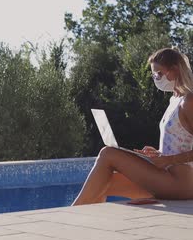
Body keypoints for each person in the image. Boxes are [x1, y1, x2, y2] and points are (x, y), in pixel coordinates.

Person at [72, 48, 193, 206]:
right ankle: (85, 224)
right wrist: (160, 154)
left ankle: (70, 214)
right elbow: (182, 142)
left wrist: (167, 160)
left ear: (174, 70)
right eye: (154, 75)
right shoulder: (174, 101)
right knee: (104, 181)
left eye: (158, 74)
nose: (155, 78)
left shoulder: (189, 101)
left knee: (107, 153)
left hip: (182, 184)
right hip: (166, 176)